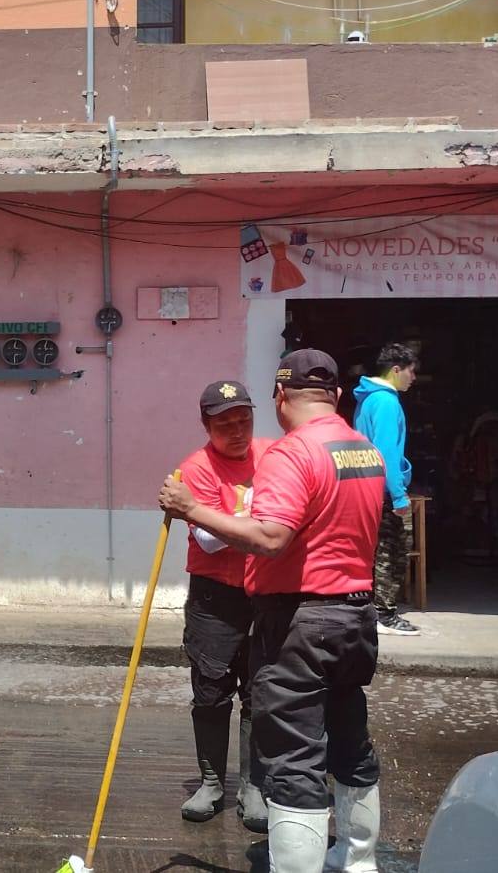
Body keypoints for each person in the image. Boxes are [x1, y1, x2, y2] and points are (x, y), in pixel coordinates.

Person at [159, 349, 385, 873]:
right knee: (350, 741)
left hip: (302, 621)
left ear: (280, 398)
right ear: (339, 396)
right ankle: (357, 861)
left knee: (294, 757)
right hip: (355, 615)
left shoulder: (291, 452)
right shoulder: (362, 449)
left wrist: (191, 508)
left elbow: (271, 537)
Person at [176, 380, 273, 831]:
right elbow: (210, 540)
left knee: (261, 695)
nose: (238, 432)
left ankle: (254, 787)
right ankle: (212, 781)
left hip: (266, 595)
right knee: (211, 694)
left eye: (244, 421)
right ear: (205, 425)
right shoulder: (195, 469)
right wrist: (260, 521)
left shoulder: (273, 456)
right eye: (225, 425)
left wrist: (234, 519)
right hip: (215, 599)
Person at [353, 342, 421, 636]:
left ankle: (375, 610)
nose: (413, 378)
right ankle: (385, 613)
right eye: (411, 371)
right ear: (396, 370)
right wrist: (398, 495)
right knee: (392, 552)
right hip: (382, 490)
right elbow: (386, 452)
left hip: (367, 486)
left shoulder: (368, 399)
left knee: (376, 549)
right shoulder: (386, 402)